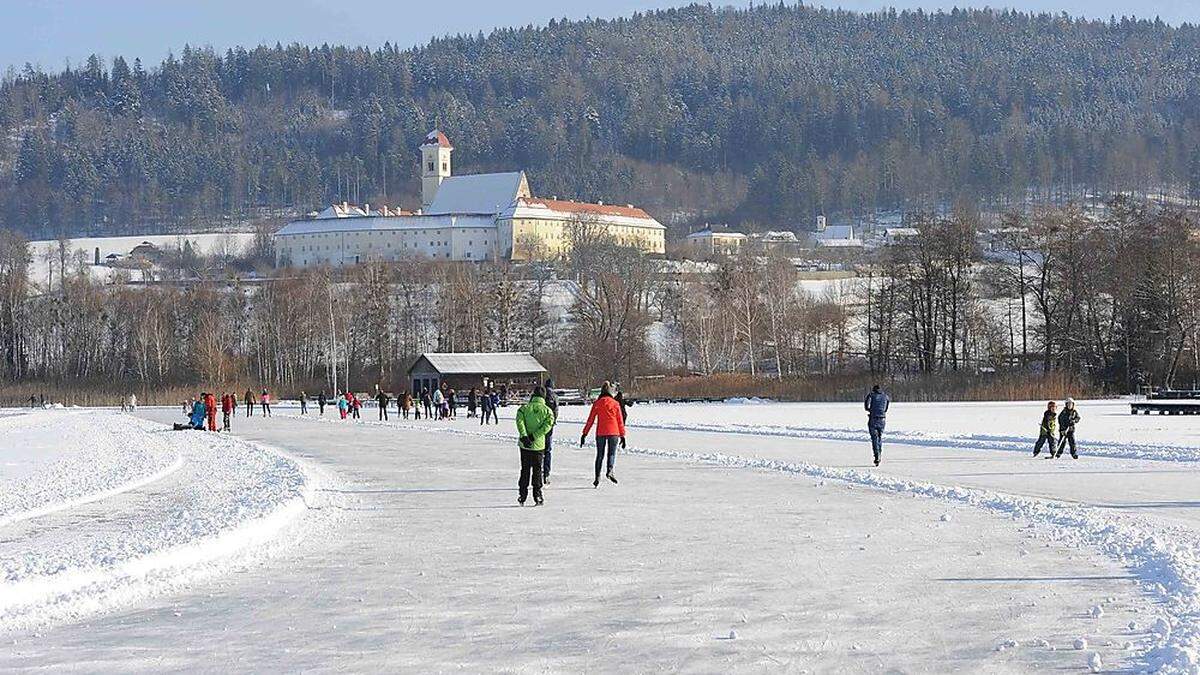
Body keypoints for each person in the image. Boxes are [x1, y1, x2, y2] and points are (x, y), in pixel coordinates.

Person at [515, 385, 556, 506]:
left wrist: (524, 436)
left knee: (525, 469)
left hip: (524, 445)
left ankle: (522, 495)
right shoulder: (547, 411)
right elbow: (548, 425)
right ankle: (537, 495)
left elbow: (519, 421)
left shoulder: (524, 408)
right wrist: (535, 436)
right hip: (538, 445)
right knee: (537, 470)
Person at [581, 381, 626, 487]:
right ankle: (609, 471)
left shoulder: (597, 403)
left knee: (599, 455)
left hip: (601, 432)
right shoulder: (615, 404)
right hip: (614, 432)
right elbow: (620, 421)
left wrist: (584, 433)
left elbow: (590, 420)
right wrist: (622, 435)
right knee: (611, 453)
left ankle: (597, 477)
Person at [864, 384, 890, 466]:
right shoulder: (885, 396)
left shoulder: (871, 395)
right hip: (882, 419)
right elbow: (886, 408)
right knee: (879, 437)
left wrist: (870, 410)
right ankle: (879, 454)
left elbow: (866, 405)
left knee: (874, 438)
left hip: (873, 419)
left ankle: (877, 456)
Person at [542, 378, 559, 484]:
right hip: (549, 425)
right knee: (548, 449)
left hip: (539, 424)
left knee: (539, 449)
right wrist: (554, 421)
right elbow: (556, 410)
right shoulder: (554, 396)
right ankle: (546, 473)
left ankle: (538, 471)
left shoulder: (541, 394)